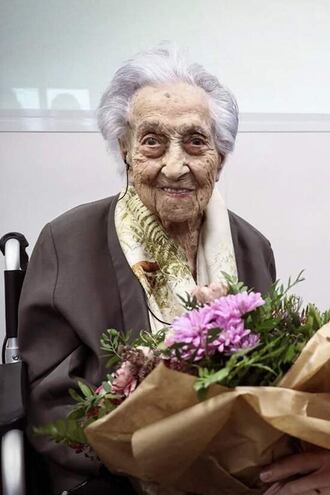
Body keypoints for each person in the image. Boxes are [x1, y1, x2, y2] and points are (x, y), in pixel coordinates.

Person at [17, 45, 330, 495]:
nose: (176, 165)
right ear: (125, 150)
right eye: (152, 141)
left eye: (196, 141)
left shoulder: (252, 247)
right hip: (114, 480)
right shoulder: (66, 242)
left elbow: (273, 385)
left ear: (219, 158)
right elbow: (51, 405)